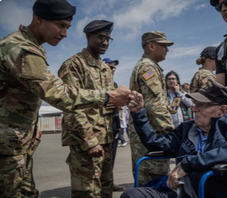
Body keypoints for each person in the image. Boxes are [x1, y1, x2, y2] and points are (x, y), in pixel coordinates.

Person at [0, 0, 131, 197]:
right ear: (38, 19)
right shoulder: (21, 49)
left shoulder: (28, 47)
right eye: (60, 25)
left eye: (67, 27)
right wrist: (107, 96)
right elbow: (60, 95)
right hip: (9, 147)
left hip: (17, 144)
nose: (64, 33)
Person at [122, 80, 227, 198]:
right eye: (194, 104)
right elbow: (156, 144)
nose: (194, 109)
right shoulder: (188, 128)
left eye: (201, 105)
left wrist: (190, 163)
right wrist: (139, 113)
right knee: (131, 195)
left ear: (223, 110)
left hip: (218, 192)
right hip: (184, 191)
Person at [58, 20, 127, 198]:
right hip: (85, 143)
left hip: (106, 139)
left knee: (106, 189)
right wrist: (90, 140)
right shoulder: (74, 65)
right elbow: (71, 105)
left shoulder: (105, 68)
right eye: (101, 37)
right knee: (87, 191)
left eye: (108, 39)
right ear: (88, 36)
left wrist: (121, 101)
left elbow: (109, 101)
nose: (105, 42)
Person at [129, 31, 175, 186]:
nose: (167, 50)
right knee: (153, 182)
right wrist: (170, 132)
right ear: (151, 46)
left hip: (145, 134)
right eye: (164, 46)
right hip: (151, 136)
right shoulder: (148, 68)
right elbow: (155, 106)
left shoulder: (148, 66)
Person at [103, 57, 125, 192]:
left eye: (114, 67)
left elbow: (117, 105)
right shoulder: (98, 83)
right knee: (102, 159)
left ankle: (109, 183)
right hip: (102, 127)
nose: (113, 69)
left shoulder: (115, 84)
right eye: (110, 67)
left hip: (114, 125)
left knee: (111, 157)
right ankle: (100, 185)